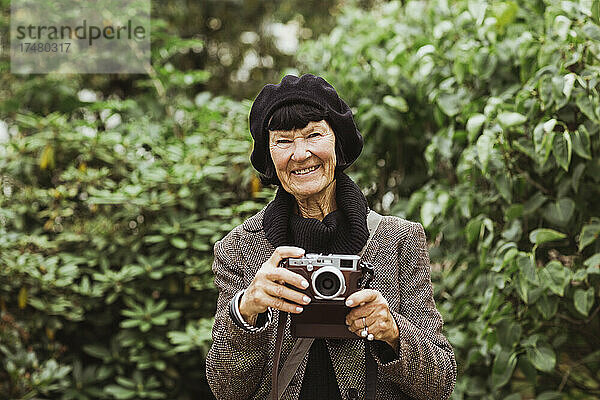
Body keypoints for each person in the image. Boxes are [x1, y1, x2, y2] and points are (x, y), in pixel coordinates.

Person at [205, 74, 457, 400]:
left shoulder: (397, 240)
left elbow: (440, 384)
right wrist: (245, 310)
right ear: (269, 156)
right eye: (283, 140)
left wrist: (393, 333)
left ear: (336, 141)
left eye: (314, 134)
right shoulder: (239, 250)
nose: (300, 153)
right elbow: (226, 391)